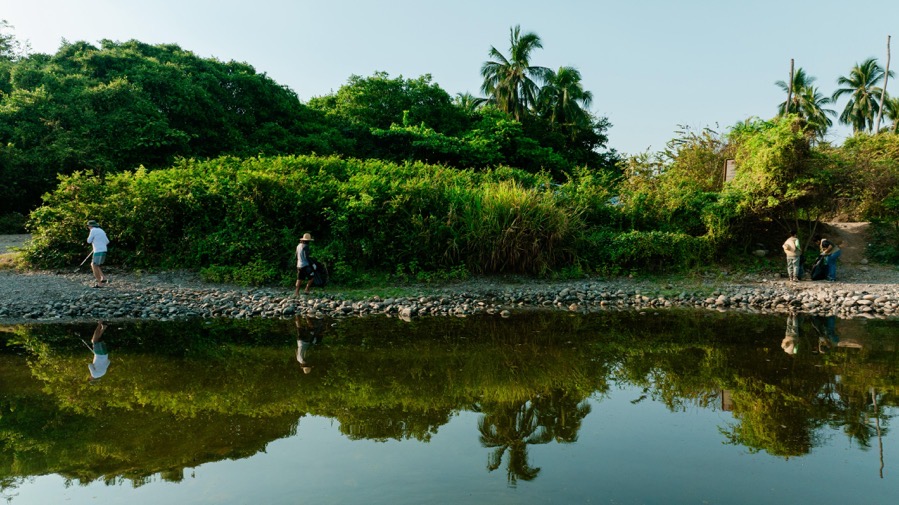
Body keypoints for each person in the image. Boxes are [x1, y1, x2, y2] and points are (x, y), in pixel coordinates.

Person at [86, 220, 110, 288]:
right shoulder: (101, 230)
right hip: (104, 250)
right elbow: (107, 241)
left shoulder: (93, 230)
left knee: (93, 265)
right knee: (96, 265)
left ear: (90, 226)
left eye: (88, 226)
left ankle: (99, 283)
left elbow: (89, 241)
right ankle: (103, 277)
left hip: (98, 251)